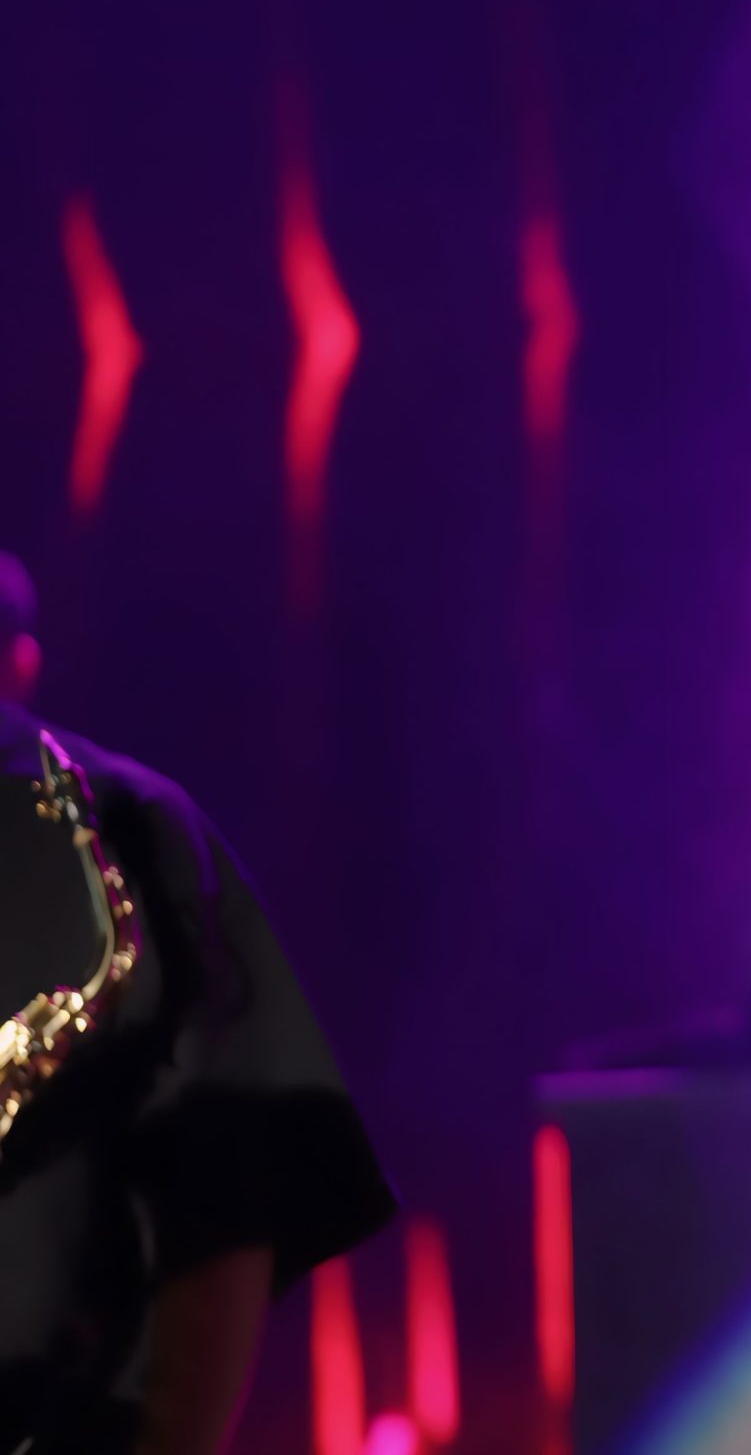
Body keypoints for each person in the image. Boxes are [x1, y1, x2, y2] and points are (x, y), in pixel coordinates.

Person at [0, 551, 396, 1453]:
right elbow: (223, 1214)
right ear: (23, 661)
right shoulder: (138, 823)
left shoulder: (130, 828)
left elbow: (224, 1197)